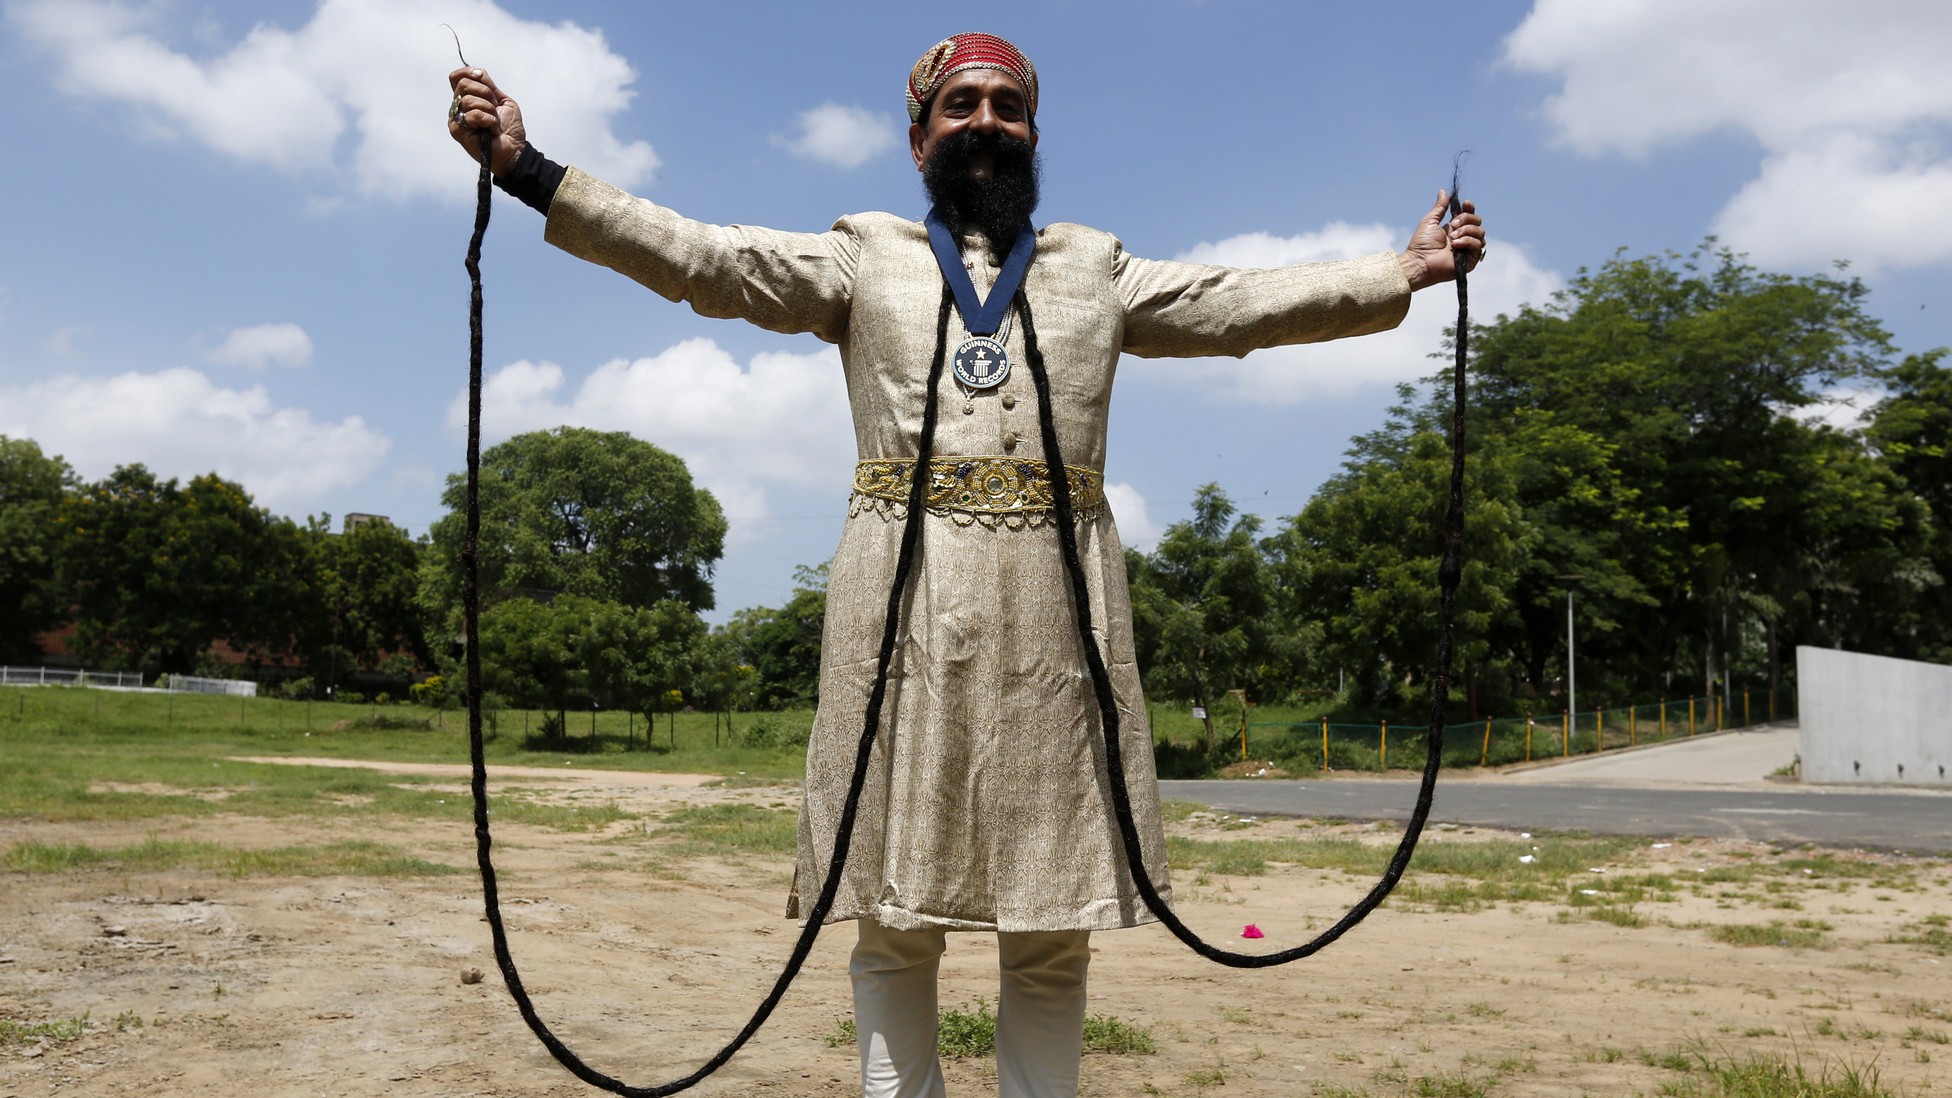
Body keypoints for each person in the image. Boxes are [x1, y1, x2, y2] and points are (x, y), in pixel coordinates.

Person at [449, 31, 1483, 1098]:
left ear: (1033, 132)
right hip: (898, 605)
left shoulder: (1098, 267)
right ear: (916, 138)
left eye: (1006, 106)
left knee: (1050, 928)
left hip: (1060, 616)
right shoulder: (862, 256)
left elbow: (1240, 304)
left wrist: (1400, 271)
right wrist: (530, 172)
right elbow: (705, 258)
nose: (984, 123)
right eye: (960, 106)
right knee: (892, 918)